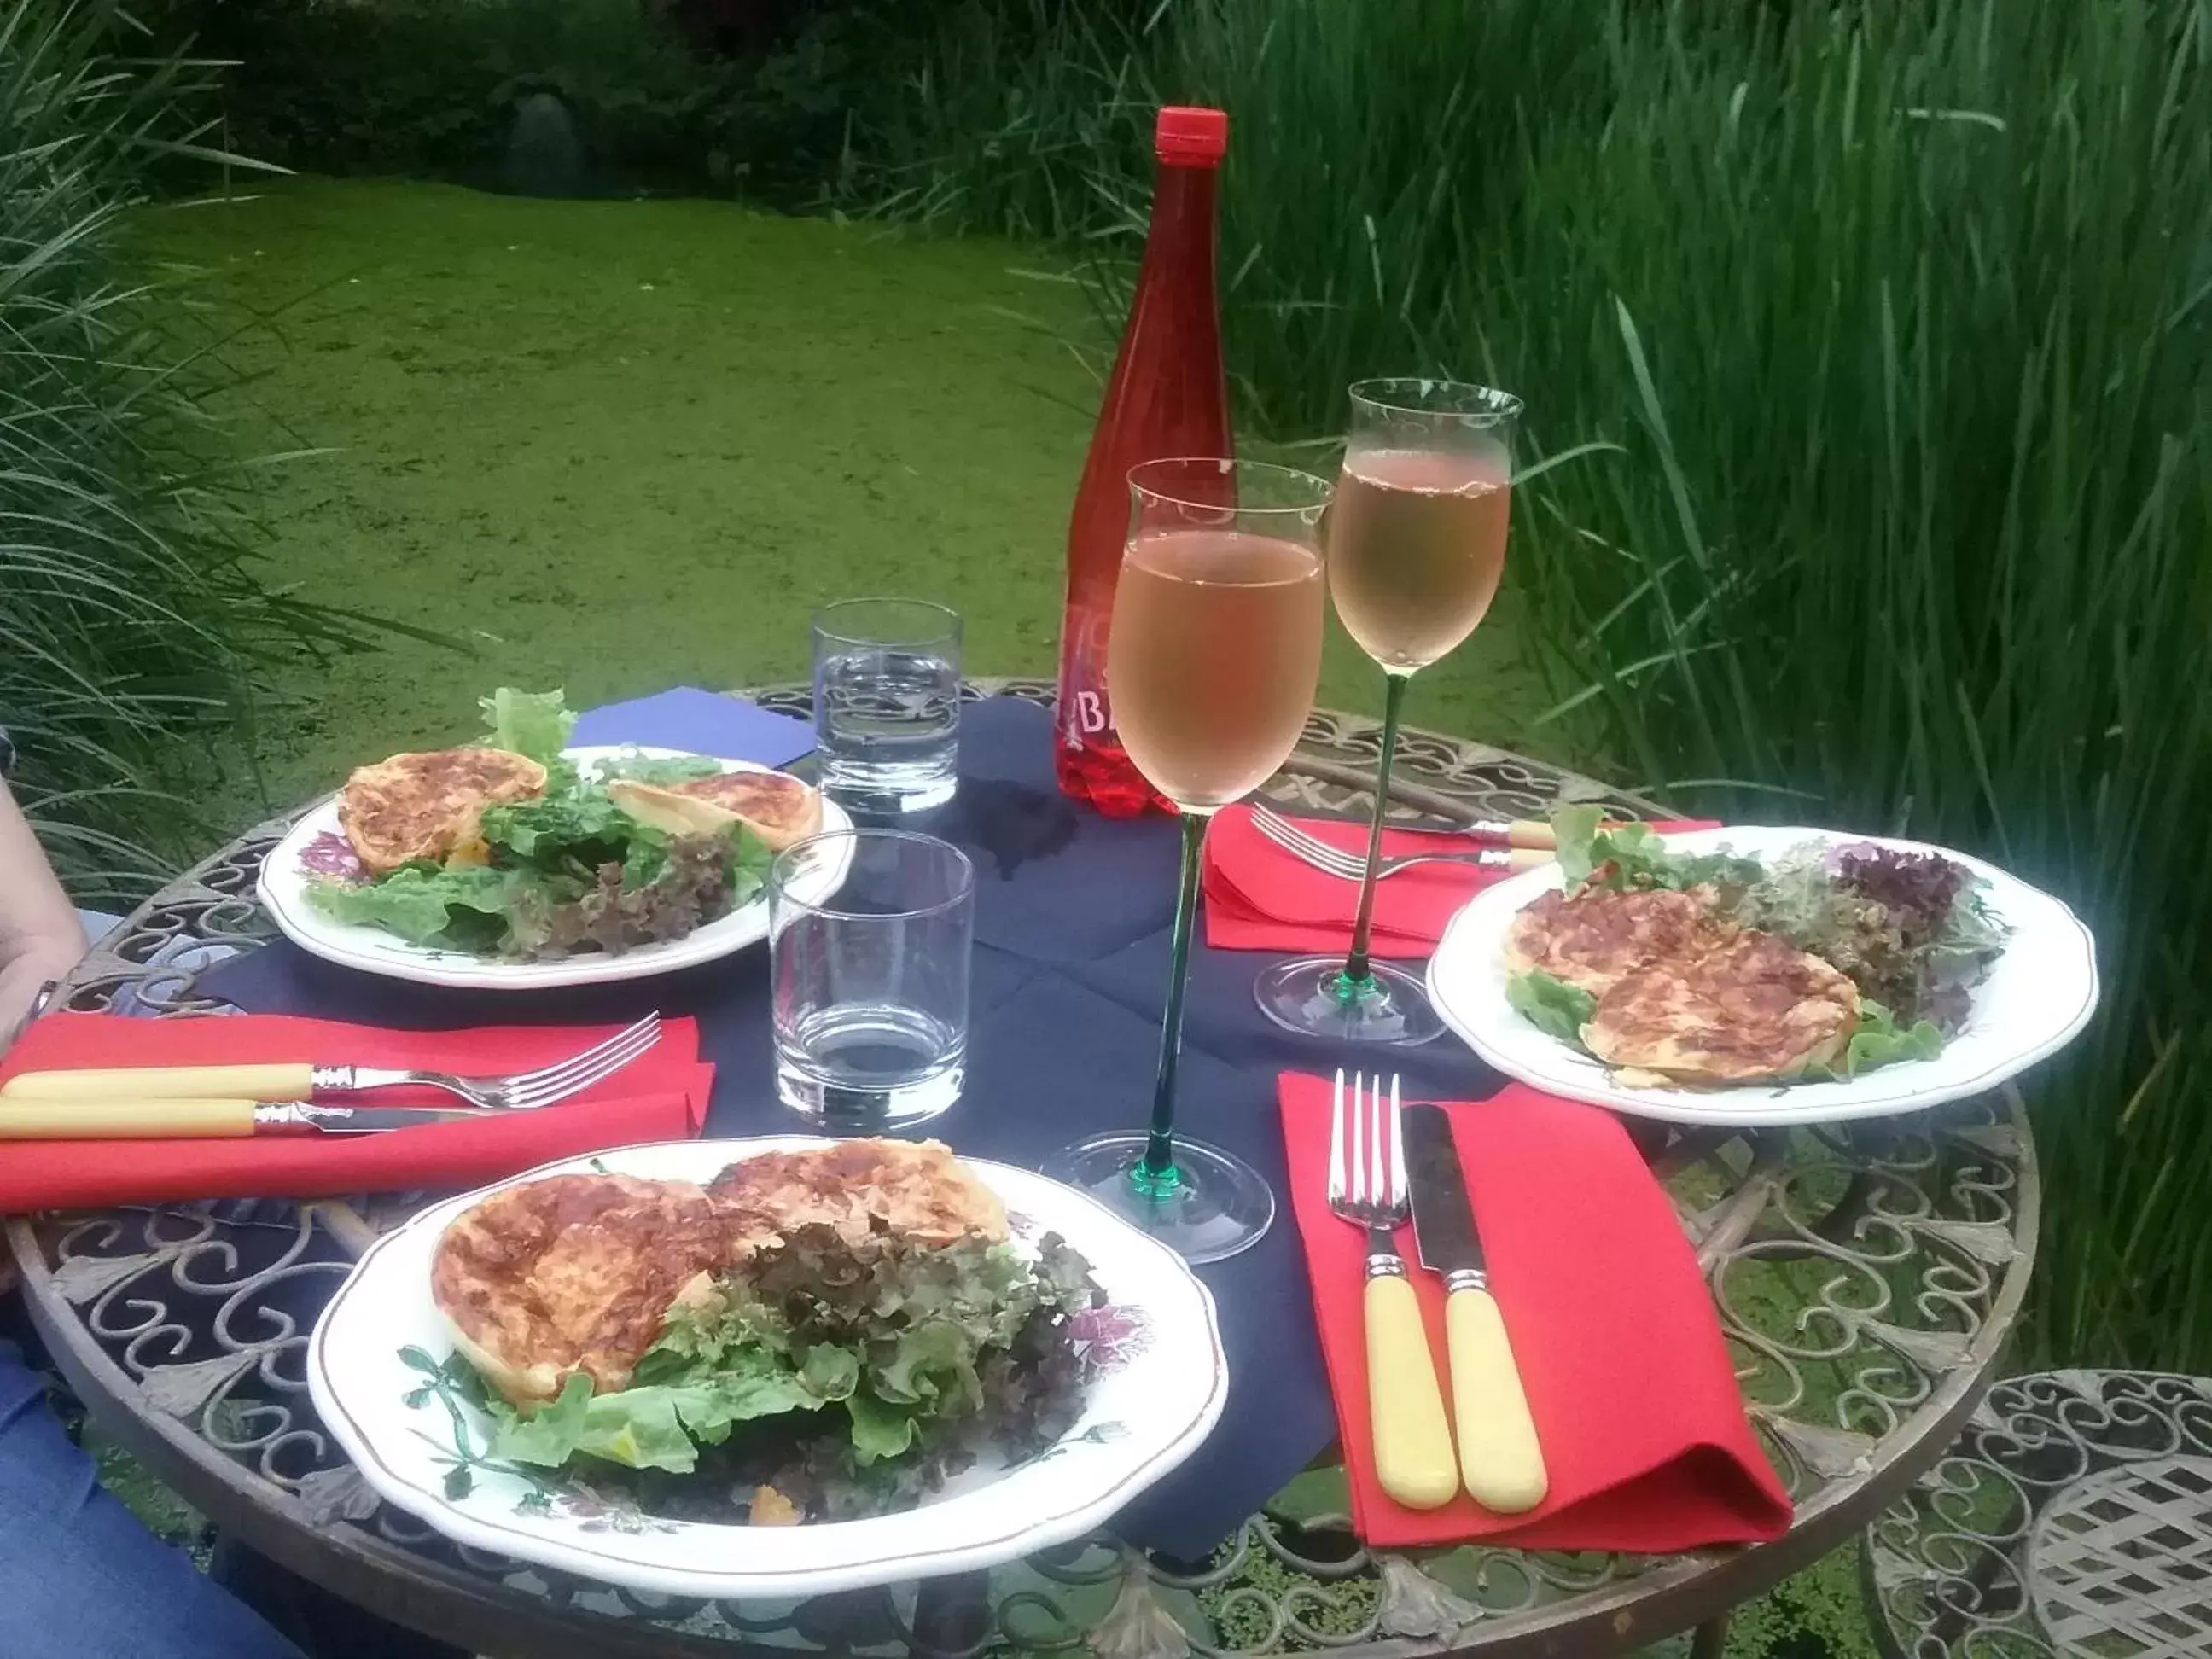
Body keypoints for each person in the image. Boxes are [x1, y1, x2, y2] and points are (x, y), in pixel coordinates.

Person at [0, 735, 457, 1658]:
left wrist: (34, 1111)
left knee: (422, 1195)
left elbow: (34, 943)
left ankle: (308, 1580)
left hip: (20, 1062)